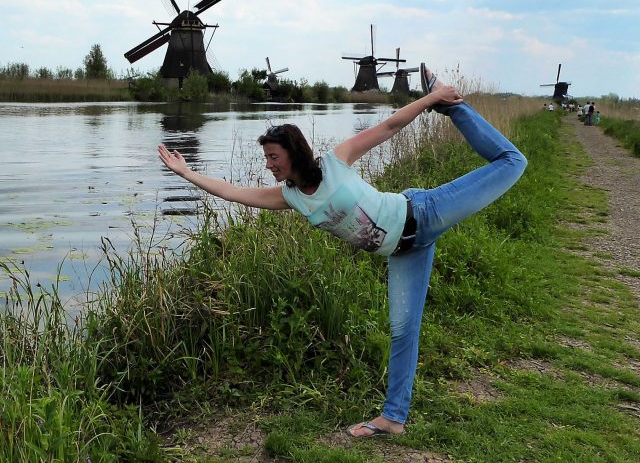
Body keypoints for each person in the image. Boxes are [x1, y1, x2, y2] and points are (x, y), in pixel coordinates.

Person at [157, 63, 527, 439]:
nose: (268, 165)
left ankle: (454, 105)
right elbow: (232, 192)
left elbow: (390, 127)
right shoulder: (290, 197)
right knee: (403, 332)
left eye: (273, 157)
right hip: (404, 251)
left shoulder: (337, 161)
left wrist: (433, 99)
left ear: (293, 153)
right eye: (266, 158)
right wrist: (188, 174)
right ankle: (393, 419)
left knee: (513, 162)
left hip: (424, 213)